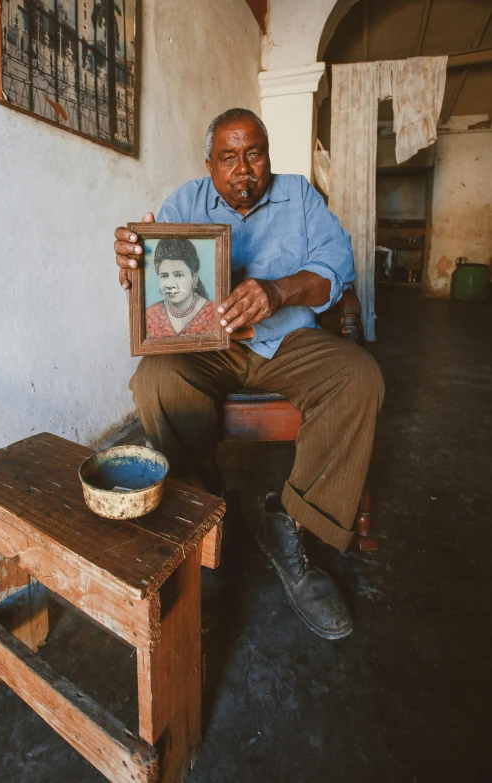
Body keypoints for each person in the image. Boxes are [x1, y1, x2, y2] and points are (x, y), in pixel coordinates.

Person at [114, 108, 385, 640]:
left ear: (268, 155)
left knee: (360, 378)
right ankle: (207, 521)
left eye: (254, 153)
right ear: (209, 163)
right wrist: (132, 263)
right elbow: (158, 290)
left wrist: (277, 291)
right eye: (229, 157)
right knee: (154, 381)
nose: (244, 169)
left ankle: (290, 524)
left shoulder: (301, 197)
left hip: (289, 341)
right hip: (207, 348)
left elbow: (338, 267)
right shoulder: (185, 202)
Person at [145, 238, 215, 338]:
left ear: (194, 278)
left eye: (178, 275)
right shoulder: (150, 314)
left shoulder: (213, 313)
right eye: (164, 276)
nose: (170, 284)